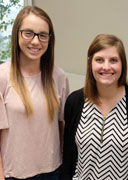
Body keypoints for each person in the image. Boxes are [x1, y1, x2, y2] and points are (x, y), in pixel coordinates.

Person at [61, 34, 128, 180]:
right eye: (99, 60)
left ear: (122, 64)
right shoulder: (75, 102)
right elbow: (68, 155)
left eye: (113, 60)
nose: (106, 67)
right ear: (90, 64)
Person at [0, 6, 69, 180]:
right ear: (17, 34)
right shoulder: (2, 77)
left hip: (53, 172)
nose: (36, 41)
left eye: (42, 35)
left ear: (50, 39)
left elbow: (62, 126)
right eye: (28, 33)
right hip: (13, 174)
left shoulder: (59, 76)